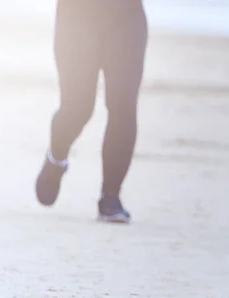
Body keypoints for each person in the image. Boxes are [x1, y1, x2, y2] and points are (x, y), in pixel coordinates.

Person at [35, 0, 148, 223]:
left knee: (123, 106)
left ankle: (110, 197)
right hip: (77, 16)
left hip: (127, 17)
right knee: (78, 107)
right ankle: (56, 157)